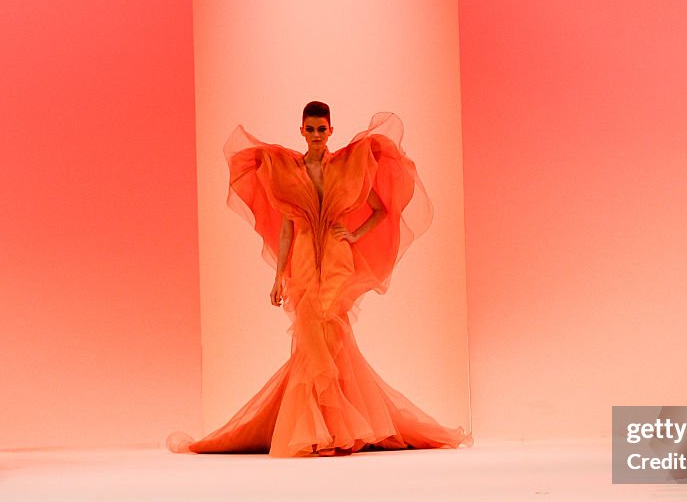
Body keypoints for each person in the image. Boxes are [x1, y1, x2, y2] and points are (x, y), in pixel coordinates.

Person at [168, 103, 469, 457]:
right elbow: (285, 230)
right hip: (304, 258)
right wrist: (279, 275)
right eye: (310, 130)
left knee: (331, 331)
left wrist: (354, 235)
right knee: (312, 333)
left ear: (330, 131)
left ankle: (331, 426)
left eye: (321, 130)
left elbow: (381, 209)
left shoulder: (345, 168)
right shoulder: (288, 172)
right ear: (301, 131)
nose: (315, 136)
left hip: (339, 257)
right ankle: (323, 427)